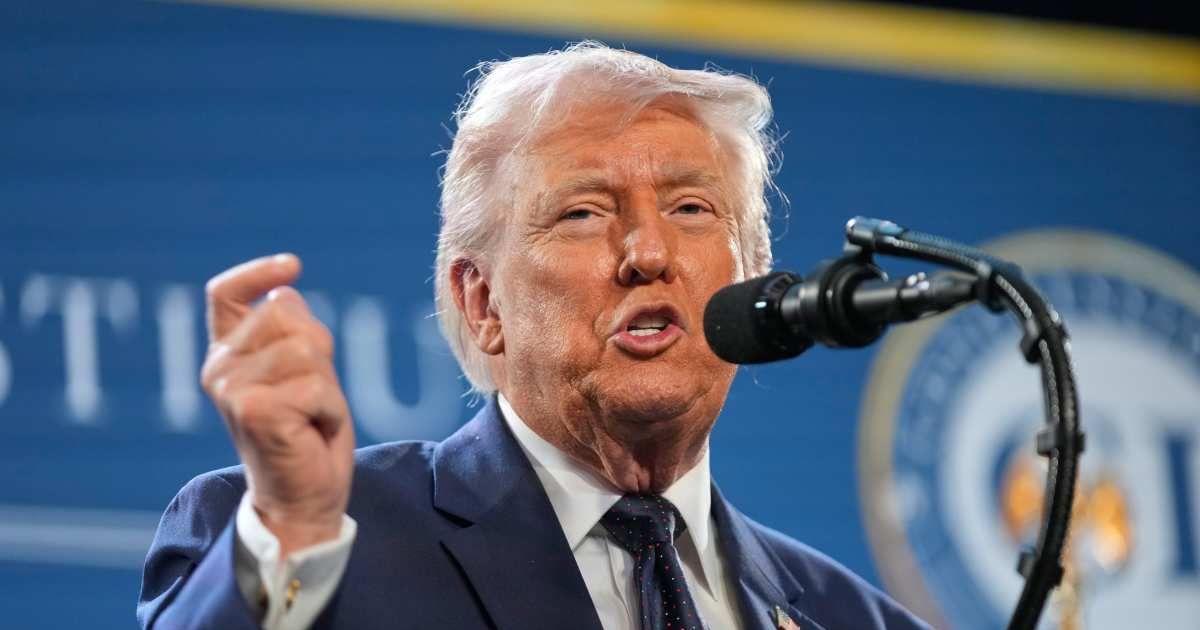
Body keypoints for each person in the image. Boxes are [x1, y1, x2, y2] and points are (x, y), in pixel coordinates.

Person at [138, 42, 930, 630]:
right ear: (482, 303)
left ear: (754, 277)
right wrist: (293, 529)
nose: (649, 253)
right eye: (584, 212)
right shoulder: (306, 541)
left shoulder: (854, 618)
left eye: (692, 209)